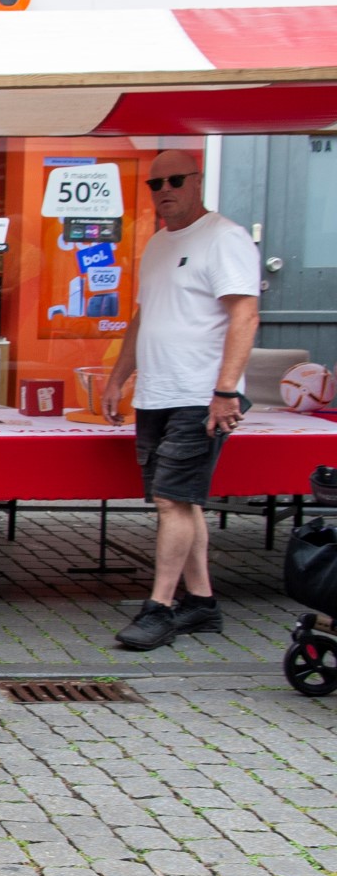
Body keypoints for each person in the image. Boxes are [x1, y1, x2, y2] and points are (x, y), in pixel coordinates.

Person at [105, 148, 261, 651]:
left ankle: (160, 607)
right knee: (180, 501)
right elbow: (143, 317)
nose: (165, 190)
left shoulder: (225, 238)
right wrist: (117, 379)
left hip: (199, 393)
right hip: (158, 391)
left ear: (197, 182)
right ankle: (202, 601)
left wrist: (224, 390)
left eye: (175, 180)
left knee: (172, 500)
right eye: (156, 183)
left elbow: (245, 315)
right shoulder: (157, 244)